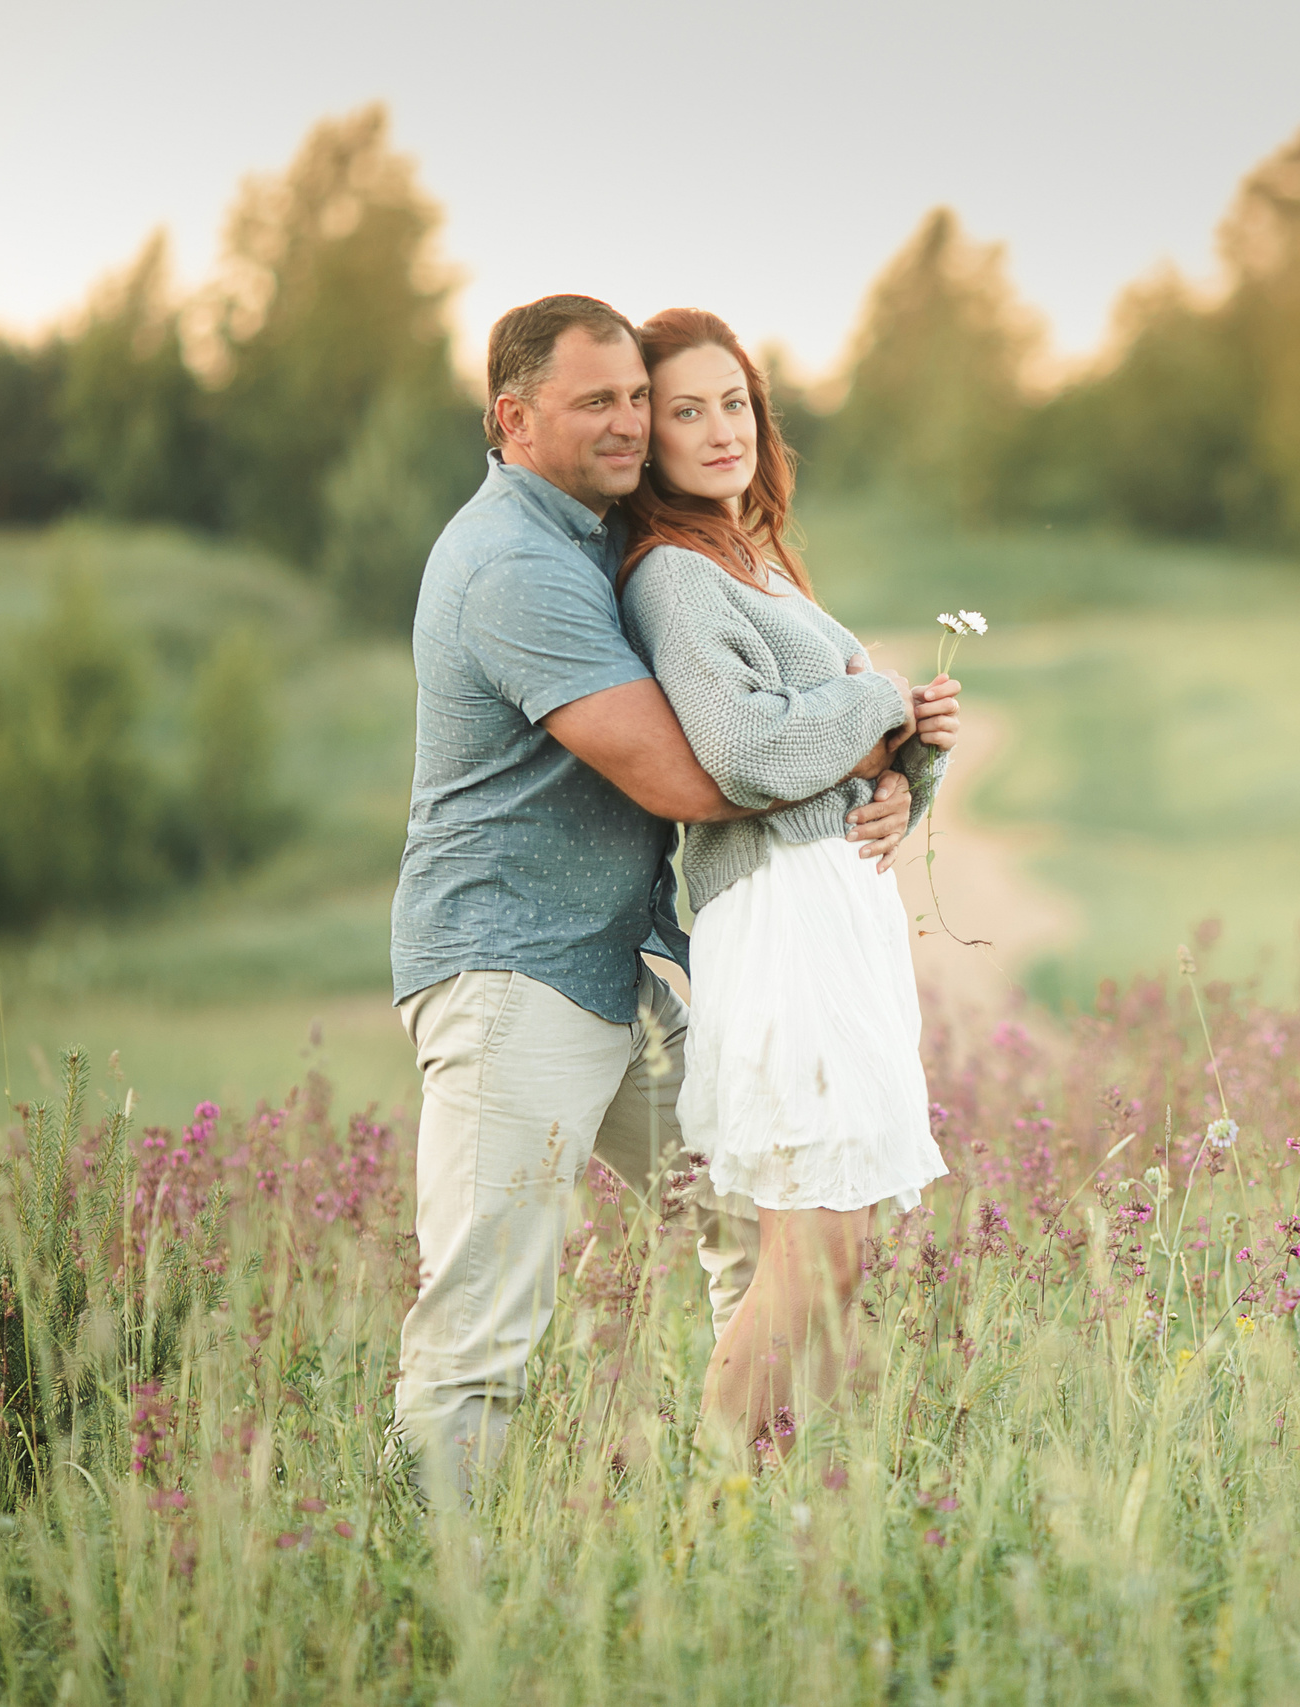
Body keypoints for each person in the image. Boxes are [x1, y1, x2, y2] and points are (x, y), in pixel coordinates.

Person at [386, 294, 917, 1502]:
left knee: (761, 1220)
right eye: (600, 403)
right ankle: (437, 1585)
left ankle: (746, 1519)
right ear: (512, 419)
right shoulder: (512, 563)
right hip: (510, 972)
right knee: (485, 1311)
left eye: (639, 398)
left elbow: (758, 746)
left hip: (617, 967)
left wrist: (888, 777)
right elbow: (699, 774)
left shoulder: (587, 536)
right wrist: (875, 718)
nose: (631, 424)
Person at [616, 307, 959, 1461]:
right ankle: (717, 1499)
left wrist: (914, 765)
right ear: (645, 439)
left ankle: (776, 1498)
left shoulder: (754, 562)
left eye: (735, 404)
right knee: (811, 1250)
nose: (722, 431)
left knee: (842, 1251)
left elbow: (835, 765)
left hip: (836, 913)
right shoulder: (673, 574)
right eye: (686, 411)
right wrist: (882, 702)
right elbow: (749, 754)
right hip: (778, 918)